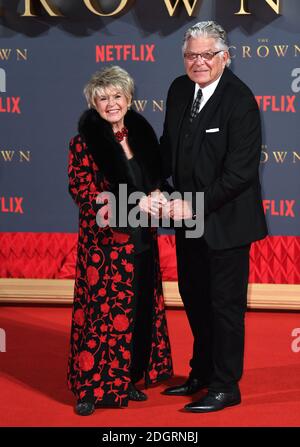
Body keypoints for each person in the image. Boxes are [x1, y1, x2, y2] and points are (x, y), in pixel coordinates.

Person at [160, 21, 268, 412]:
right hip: (188, 222)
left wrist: (193, 205)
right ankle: (202, 373)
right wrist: (150, 181)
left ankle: (226, 386)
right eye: (192, 55)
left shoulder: (239, 100)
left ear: (225, 56)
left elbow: (240, 173)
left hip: (227, 223)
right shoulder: (177, 90)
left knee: (224, 306)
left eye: (207, 54)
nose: (199, 62)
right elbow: (168, 147)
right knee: (195, 298)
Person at [67, 66, 173, 416]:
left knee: (136, 310)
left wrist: (158, 195)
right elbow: (84, 193)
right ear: (93, 102)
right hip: (105, 247)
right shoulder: (83, 142)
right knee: (100, 316)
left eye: (117, 96)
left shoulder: (141, 134)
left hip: (142, 239)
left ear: (128, 98)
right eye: (103, 97)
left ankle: (124, 379)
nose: (111, 103)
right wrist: (133, 202)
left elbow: (152, 180)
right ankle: (90, 389)